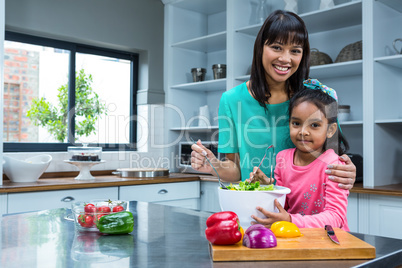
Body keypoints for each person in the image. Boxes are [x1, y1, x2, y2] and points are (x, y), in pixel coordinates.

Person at [191, 10, 356, 189]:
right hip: (258, 207)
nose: (285, 59)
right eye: (276, 47)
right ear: (261, 47)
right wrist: (213, 164)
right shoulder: (231, 100)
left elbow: (334, 158)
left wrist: (347, 171)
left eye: (295, 51)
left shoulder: (321, 96)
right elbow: (235, 170)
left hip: (305, 208)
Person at [249, 80, 349, 230]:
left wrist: (290, 220)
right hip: (295, 237)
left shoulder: (334, 165)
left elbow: (336, 217)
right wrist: (269, 188)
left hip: (330, 241)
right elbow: (284, 205)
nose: (303, 131)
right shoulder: (283, 158)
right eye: (296, 123)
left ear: (330, 130)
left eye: (314, 125)